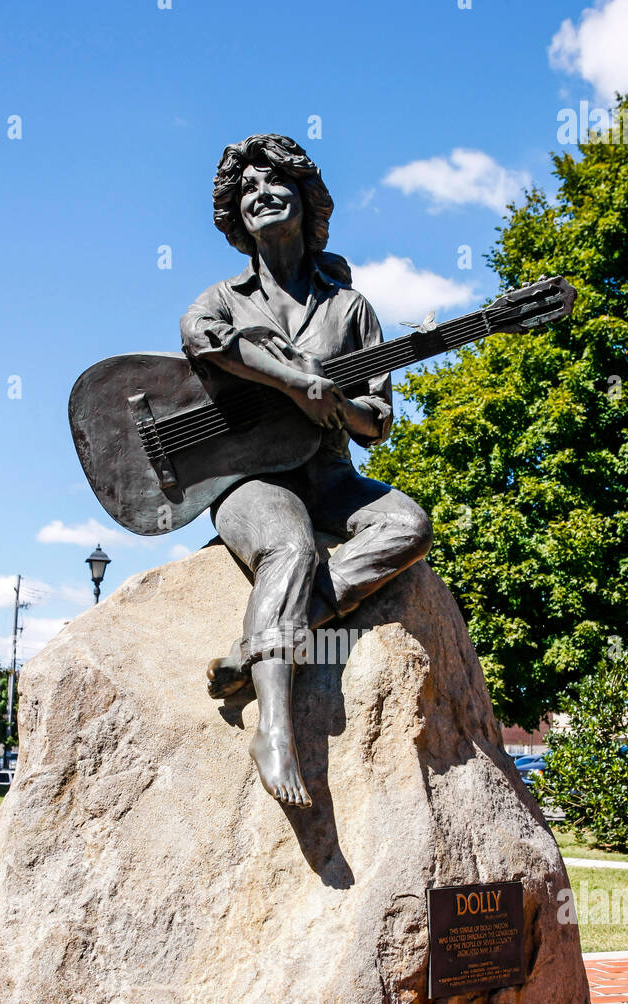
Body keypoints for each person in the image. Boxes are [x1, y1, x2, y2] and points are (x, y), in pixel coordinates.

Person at [180, 134, 432, 809]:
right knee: (288, 544)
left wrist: (337, 404)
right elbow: (200, 337)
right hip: (245, 481)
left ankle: (262, 641)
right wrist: (293, 383)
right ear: (237, 215)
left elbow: (377, 422)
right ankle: (275, 728)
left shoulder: (351, 309)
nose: (261, 195)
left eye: (275, 183)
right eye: (247, 190)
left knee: (409, 524)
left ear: (305, 199)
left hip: (328, 475)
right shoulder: (225, 300)